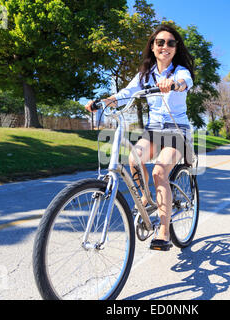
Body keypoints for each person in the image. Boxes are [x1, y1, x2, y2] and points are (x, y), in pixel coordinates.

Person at [85, 24, 195, 251]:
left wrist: (173, 84)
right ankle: (145, 198)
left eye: (170, 43)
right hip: (154, 130)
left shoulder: (179, 71)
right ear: (153, 47)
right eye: (160, 42)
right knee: (134, 160)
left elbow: (186, 82)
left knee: (159, 171)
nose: (165, 47)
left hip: (176, 130)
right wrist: (103, 103)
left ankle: (164, 231)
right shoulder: (145, 74)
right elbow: (125, 94)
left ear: (176, 48)